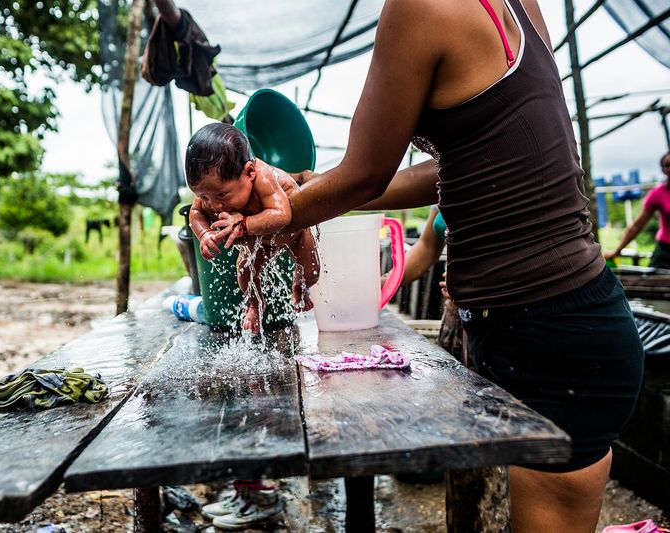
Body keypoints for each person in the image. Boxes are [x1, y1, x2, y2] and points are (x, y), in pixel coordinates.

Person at [286, 1, 644, 531]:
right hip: (557, 326)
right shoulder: (516, 5)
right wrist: (315, 188)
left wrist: (270, 213)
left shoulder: (418, 6)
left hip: (554, 338)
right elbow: (459, 162)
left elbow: (365, 172)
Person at [186, 122, 320, 333]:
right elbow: (196, 213)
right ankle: (255, 305)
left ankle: (300, 287)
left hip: (294, 234)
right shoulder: (213, 191)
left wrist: (244, 224)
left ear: (249, 173)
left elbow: (282, 215)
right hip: (259, 239)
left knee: (311, 271)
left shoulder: (263, 177)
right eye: (203, 196)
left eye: (221, 195)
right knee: (245, 272)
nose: (213, 205)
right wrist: (204, 233)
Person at [605, 152, 670, 269]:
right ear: (663, 170)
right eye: (668, 165)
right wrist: (617, 250)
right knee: (656, 284)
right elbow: (636, 226)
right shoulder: (657, 194)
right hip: (666, 250)